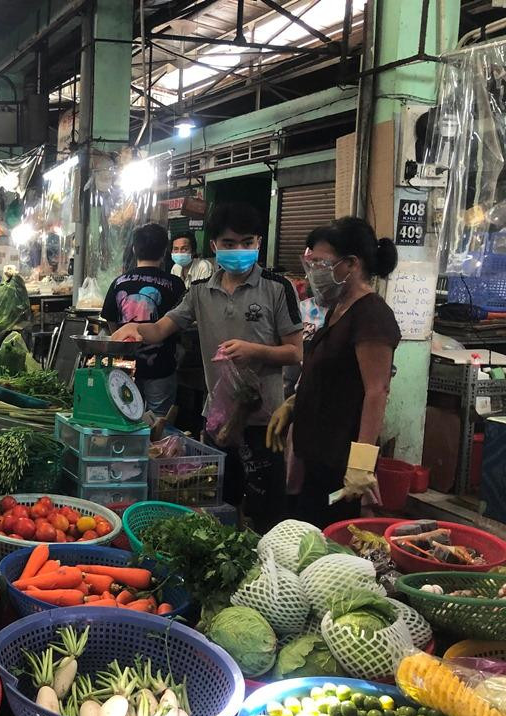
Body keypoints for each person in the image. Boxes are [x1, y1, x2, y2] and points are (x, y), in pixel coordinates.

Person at [112, 202, 302, 532]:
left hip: (264, 422)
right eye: (229, 244)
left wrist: (252, 350)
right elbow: (160, 330)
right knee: (218, 512)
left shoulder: (276, 288)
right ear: (215, 246)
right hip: (217, 420)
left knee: (265, 516)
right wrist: (134, 329)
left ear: (258, 243)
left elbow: (295, 352)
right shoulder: (200, 292)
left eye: (247, 242)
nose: (239, 250)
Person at [266, 217, 400, 528]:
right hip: (315, 449)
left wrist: (362, 463)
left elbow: (376, 391)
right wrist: (293, 404)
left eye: (321, 264)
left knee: (326, 543)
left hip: (340, 459)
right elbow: (330, 374)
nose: (313, 272)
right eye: (309, 262)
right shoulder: (337, 309)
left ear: (351, 264)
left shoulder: (372, 315)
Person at [101, 222, 186, 415]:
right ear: (165, 251)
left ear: (134, 249)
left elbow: (110, 319)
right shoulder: (175, 284)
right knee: (158, 424)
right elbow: (181, 322)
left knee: (126, 418)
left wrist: (122, 336)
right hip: (161, 367)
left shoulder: (119, 282)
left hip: (125, 367)